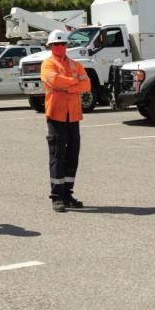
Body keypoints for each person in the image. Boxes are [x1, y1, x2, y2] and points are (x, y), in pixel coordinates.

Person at [40, 30, 91, 212]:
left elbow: (87, 84)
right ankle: (57, 196)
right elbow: (54, 82)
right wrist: (73, 84)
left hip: (73, 116)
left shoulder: (75, 64)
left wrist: (67, 86)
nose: (60, 47)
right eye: (56, 44)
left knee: (72, 156)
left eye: (62, 44)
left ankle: (67, 194)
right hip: (56, 115)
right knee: (57, 155)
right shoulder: (47, 64)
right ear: (51, 46)